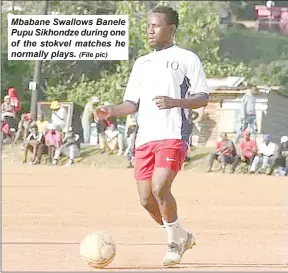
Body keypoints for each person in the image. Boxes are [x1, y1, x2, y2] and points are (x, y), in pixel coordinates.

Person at [94, 6, 209, 266]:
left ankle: (173, 244)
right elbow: (131, 104)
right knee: (146, 200)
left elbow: (202, 97)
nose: (149, 30)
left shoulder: (186, 58)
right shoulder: (141, 63)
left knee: (160, 188)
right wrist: (110, 110)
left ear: (171, 28)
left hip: (172, 135)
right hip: (144, 138)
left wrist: (175, 102)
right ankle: (182, 235)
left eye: (155, 25)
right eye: (148, 26)